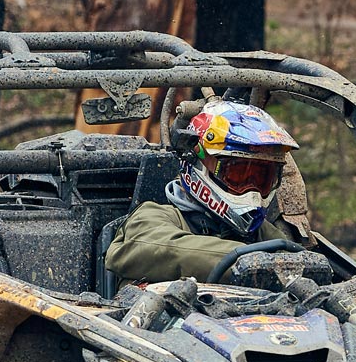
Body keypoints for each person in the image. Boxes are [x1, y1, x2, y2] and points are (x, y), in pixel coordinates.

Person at [105, 100, 303, 283]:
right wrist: (258, 263)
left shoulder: (262, 233)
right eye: (238, 174)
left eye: (262, 178)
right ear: (197, 163)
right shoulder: (154, 216)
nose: (251, 190)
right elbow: (152, 248)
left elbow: (301, 266)